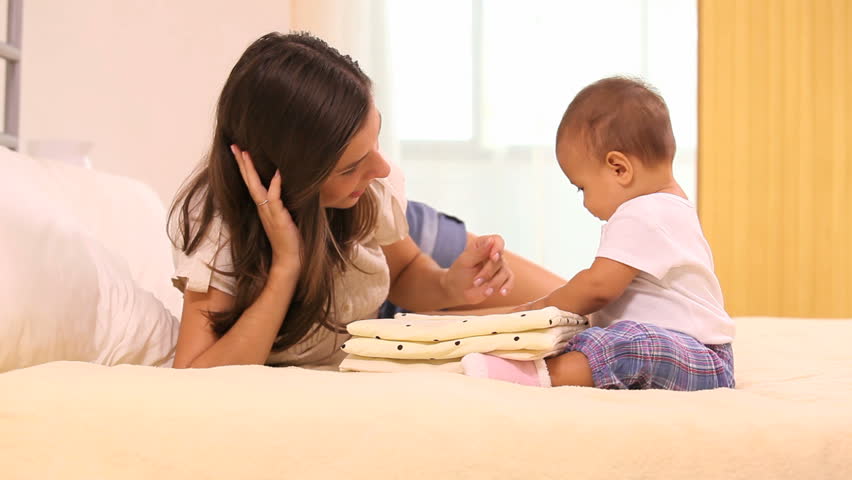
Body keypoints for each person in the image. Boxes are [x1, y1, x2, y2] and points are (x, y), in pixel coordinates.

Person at [167, 32, 564, 369]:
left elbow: (406, 269)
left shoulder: (371, 186)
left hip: (400, 245)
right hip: (365, 316)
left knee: (576, 307)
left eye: (377, 137)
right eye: (350, 165)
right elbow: (195, 376)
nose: (383, 168)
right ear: (286, 179)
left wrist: (449, 286)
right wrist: (287, 266)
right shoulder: (220, 229)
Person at [462, 77, 736, 390]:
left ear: (619, 169)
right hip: (684, 351)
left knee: (630, 345)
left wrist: (540, 309)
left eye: (583, 187)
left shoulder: (644, 212)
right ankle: (557, 363)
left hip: (701, 358)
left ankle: (539, 375)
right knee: (595, 335)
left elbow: (598, 287)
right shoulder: (665, 207)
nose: (584, 202)